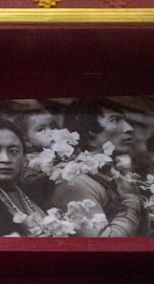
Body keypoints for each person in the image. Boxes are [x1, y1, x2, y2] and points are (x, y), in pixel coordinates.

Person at [49, 97, 141, 237]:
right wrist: (130, 199)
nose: (129, 128)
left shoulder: (109, 172)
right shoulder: (75, 181)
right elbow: (106, 245)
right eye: (115, 120)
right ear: (90, 129)